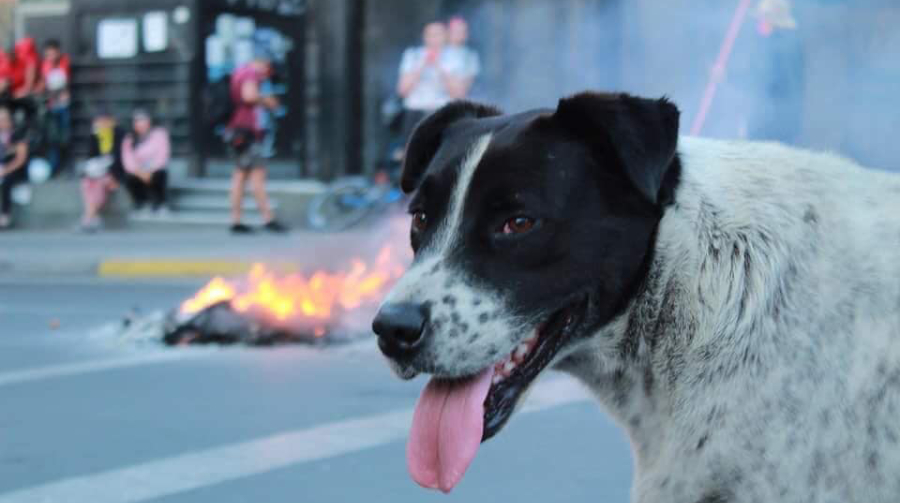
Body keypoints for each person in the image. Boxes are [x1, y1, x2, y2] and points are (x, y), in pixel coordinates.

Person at [226, 50, 287, 234]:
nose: (267, 74)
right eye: (269, 70)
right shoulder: (250, 73)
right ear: (264, 64)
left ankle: (237, 219)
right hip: (248, 132)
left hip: (237, 130)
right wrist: (269, 102)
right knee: (257, 176)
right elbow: (249, 96)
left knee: (240, 176)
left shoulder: (238, 72)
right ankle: (268, 218)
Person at [396, 22, 455, 146]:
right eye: (431, 34)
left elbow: (458, 93)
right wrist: (422, 64)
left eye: (438, 34)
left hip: (441, 111)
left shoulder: (453, 57)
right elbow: (402, 90)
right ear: (425, 37)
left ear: (445, 36)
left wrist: (438, 65)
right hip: (415, 112)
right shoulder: (412, 55)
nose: (434, 38)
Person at [78, 109, 125, 232]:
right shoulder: (96, 135)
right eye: (99, 122)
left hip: (113, 172)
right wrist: (95, 135)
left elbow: (121, 158)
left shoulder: (119, 134)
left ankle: (88, 218)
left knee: (99, 185)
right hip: (97, 172)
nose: (101, 124)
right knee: (86, 183)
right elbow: (91, 157)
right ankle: (91, 217)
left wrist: (114, 177)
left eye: (104, 121)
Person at [121, 109, 170, 215]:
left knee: (159, 174)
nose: (140, 124)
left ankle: (160, 204)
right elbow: (127, 160)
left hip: (155, 168)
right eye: (137, 121)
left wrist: (150, 170)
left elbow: (162, 155)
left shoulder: (159, 134)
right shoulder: (129, 138)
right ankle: (140, 203)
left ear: (149, 121)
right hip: (138, 170)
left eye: (143, 120)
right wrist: (139, 172)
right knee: (129, 177)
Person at [37, 39, 71, 174]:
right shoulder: (44, 65)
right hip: (51, 106)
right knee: (52, 138)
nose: (50, 56)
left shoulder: (64, 61)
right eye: (48, 54)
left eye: (52, 53)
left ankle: (66, 165)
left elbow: (60, 81)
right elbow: (44, 83)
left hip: (63, 105)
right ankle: (54, 167)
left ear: (58, 52)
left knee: (65, 137)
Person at [0, 106, 29, 230]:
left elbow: (21, 159)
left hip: (15, 169)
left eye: (4, 119)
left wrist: (5, 170)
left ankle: (5, 215)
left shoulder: (18, 134)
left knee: (7, 181)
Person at [443, 16, 481, 100]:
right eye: (456, 31)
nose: (459, 34)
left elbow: (462, 90)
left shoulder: (470, 56)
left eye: (462, 31)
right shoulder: (436, 51)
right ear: (447, 32)